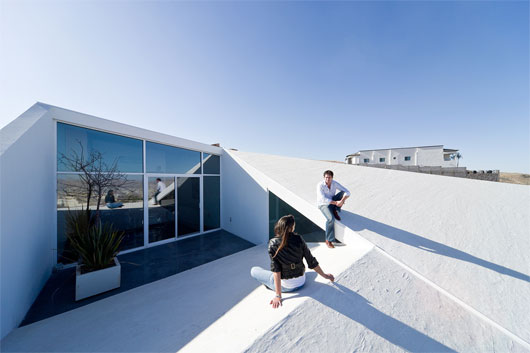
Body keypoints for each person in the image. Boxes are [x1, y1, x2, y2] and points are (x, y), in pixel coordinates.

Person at [250, 215, 335, 309]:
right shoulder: (299, 239)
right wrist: (325, 276)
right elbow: (311, 261)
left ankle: (269, 284)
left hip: (286, 287)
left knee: (254, 270)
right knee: (309, 272)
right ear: (292, 227)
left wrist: (278, 295)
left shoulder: (273, 243)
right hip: (302, 282)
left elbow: (276, 270)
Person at [317, 170, 350, 249]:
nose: (328, 179)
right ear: (324, 177)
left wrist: (341, 201)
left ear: (332, 178)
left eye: (329, 177)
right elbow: (323, 199)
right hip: (323, 204)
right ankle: (328, 240)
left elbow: (348, 192)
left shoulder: (334, 183)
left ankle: (335, 209)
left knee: (342, 193)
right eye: (326, 177)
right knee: (331, 219)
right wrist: (336, 202)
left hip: (332, 202)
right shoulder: (320, 185)